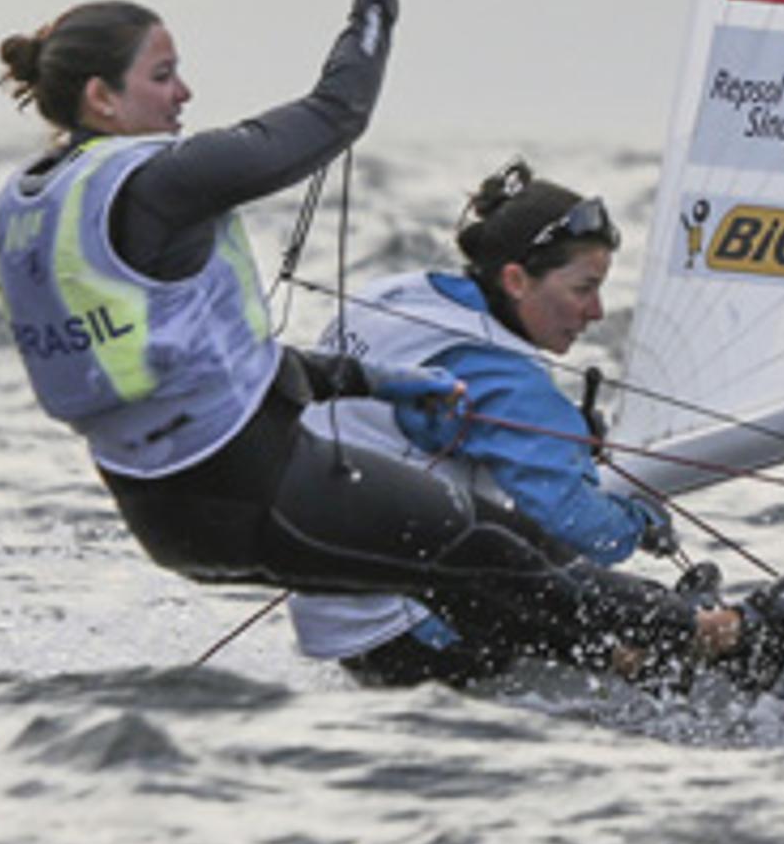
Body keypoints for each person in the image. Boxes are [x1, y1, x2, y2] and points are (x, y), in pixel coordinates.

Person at [0, 0, 756, 680]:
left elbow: (205, 370)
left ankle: (629, 655)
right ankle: (719, 637)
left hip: (169, 515)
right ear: (102, 99)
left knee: (456, 567)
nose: (184, 93)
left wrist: (374, 380)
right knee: (485, 543)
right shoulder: (159, 184)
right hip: (255, 488)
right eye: (161, 76)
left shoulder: (36, 202)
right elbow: (335, 113)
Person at [289, 161, 720, 686]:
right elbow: (585, 527)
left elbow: (429, 426)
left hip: (339, 614)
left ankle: (665, 630)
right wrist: (642, 523)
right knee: (557, 561)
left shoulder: (400, 294)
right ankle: (719, 638)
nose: (598, 311)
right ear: (516, 279)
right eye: (584, 288)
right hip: (414, 632)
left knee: (522, 545)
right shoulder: (501, 374)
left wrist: (555, 439)